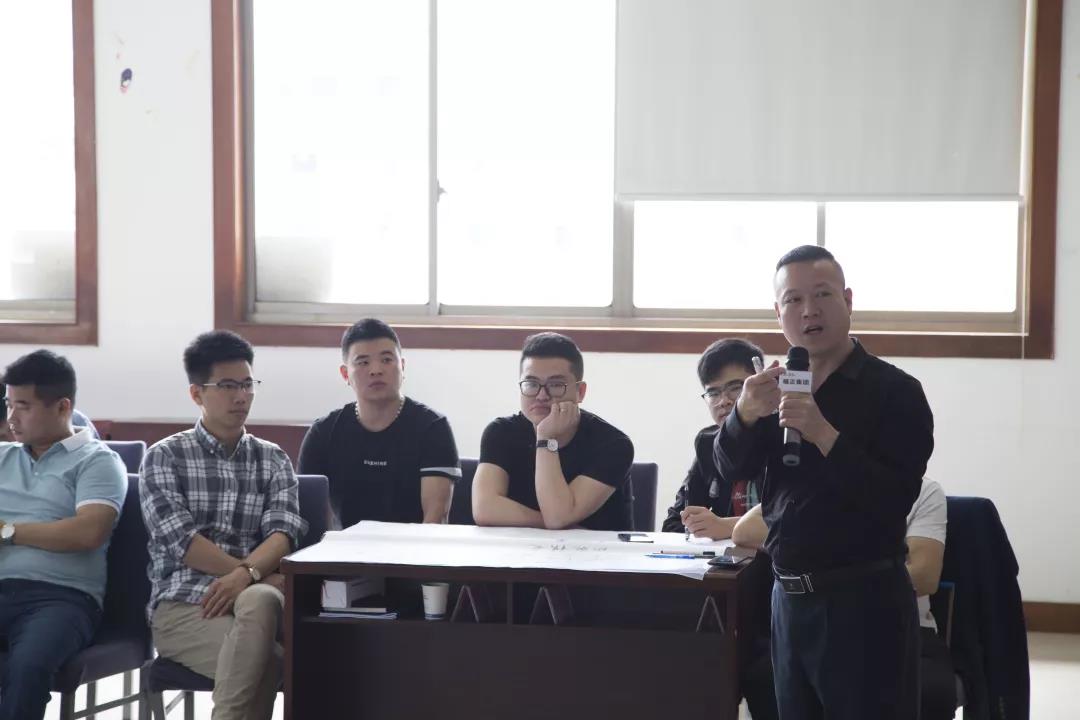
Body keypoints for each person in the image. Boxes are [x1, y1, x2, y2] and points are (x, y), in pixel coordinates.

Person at [715, 245, 934, 720]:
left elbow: (893, 498)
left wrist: (823, 433)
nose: (808, 310)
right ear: (778, 314)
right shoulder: (774, 388)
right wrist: (743, 415)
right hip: (788, 600)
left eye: (822, 295)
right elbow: (729, 468)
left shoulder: (896, 393)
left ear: (848, 300)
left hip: (864, 604)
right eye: (793, 300)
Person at [140, 330, 306, 720]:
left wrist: (244, 579)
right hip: (185, 606)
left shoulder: (273, 459)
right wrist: (248, 574)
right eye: (228, 386)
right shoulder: (165, 457)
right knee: (269, 661)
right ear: (196, 394)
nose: (241, 396)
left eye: (248, 384)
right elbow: (183, 543)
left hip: (258, 599)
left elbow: (283, 534)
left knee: (262, 601)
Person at [733, 477, 957, 719]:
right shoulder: (807, 477)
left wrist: (804, 538)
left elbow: (925, 575)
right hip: (808, 618)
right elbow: (744, 530)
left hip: (888, 623)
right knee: (761, 677)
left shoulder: (920, 490)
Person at [0, 350, 127, 720]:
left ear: (62, 407)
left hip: (61, 598)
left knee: (29, 665)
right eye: (8, 404)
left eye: (23, 406)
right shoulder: (3, 457)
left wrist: (8, 531)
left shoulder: (97, 460)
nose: (11, 417)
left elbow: (88, 531)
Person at [298, 319, 460, 528]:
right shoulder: (323, 432)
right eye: (363, 362)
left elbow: (435, 520)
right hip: (343, 546)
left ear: (402, 366)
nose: (376, 370)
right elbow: (307, 515)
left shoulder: (432, 428)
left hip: (413, 546)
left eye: (386, 360)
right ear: (345, 374)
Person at [472, 332, 634, 531]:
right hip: (520, 548)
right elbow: (484, 509)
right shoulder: (500, 432)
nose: (541, 395)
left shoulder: (613, 444)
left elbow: (558, 517)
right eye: (531, 384)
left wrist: (546, 438)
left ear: (580, 392)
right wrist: (552, 523)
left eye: (556, 385)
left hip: (598, 550)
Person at [662, 338, 765, 539]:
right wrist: (698, 525)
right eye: (713, 393)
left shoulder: (787, 436)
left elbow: (797, 521)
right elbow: (674, 524)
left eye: (735, 388)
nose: (723, 401)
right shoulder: (708, 443)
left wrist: (725, 527)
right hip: (724, 558)